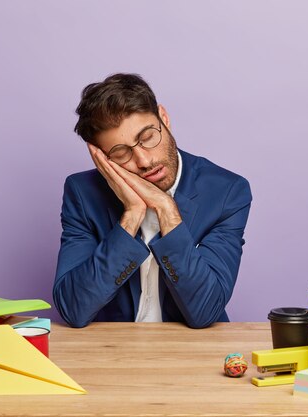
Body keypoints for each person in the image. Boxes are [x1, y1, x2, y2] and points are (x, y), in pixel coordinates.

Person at [53, 73, 252, 328]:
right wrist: (132, 215)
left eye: (147, 137)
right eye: (121, 153)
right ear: (103, 159)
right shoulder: (83, 193)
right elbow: (74, 309)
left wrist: (167, 209)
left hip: (192, 350)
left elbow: (205, 311)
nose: (145, 161)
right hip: (111, 351)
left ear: (164, 119)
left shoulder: (226, 192)